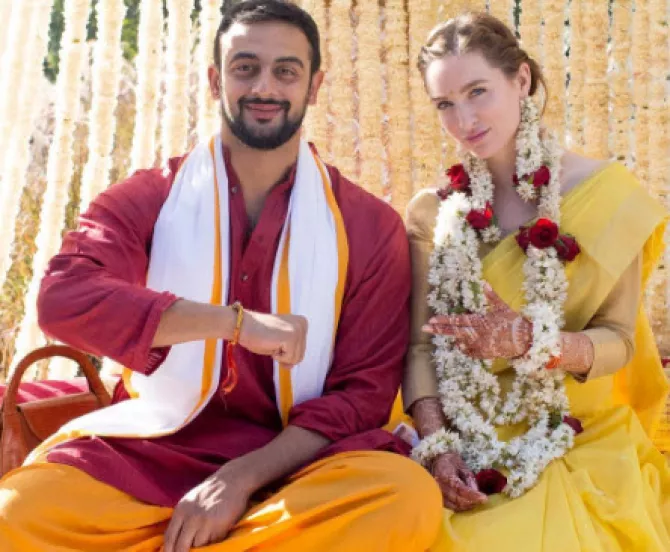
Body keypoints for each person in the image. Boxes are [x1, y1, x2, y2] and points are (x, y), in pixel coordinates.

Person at [0, 2, 442, 550]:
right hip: (151, 452)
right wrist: (235, 324)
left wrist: (239, 479)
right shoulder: (152, 196)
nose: (264, 87)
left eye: (286, 71)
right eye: (245, 67)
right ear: (215, 80)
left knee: (403, 498)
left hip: (297, 467)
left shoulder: (368, 225)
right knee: (16, 515)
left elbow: (363, 394)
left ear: (315, 86)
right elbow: (62, 299)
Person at [403, 12, 670, 552]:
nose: (464, 119)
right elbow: (420, 347)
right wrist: (438, 449)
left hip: (573, 433)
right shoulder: (433, 212)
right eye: (444, 104)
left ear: (521, 79)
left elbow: (618, 340)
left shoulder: (605, 194)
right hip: (462, 440)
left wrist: (534, 342)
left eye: (478, 92)